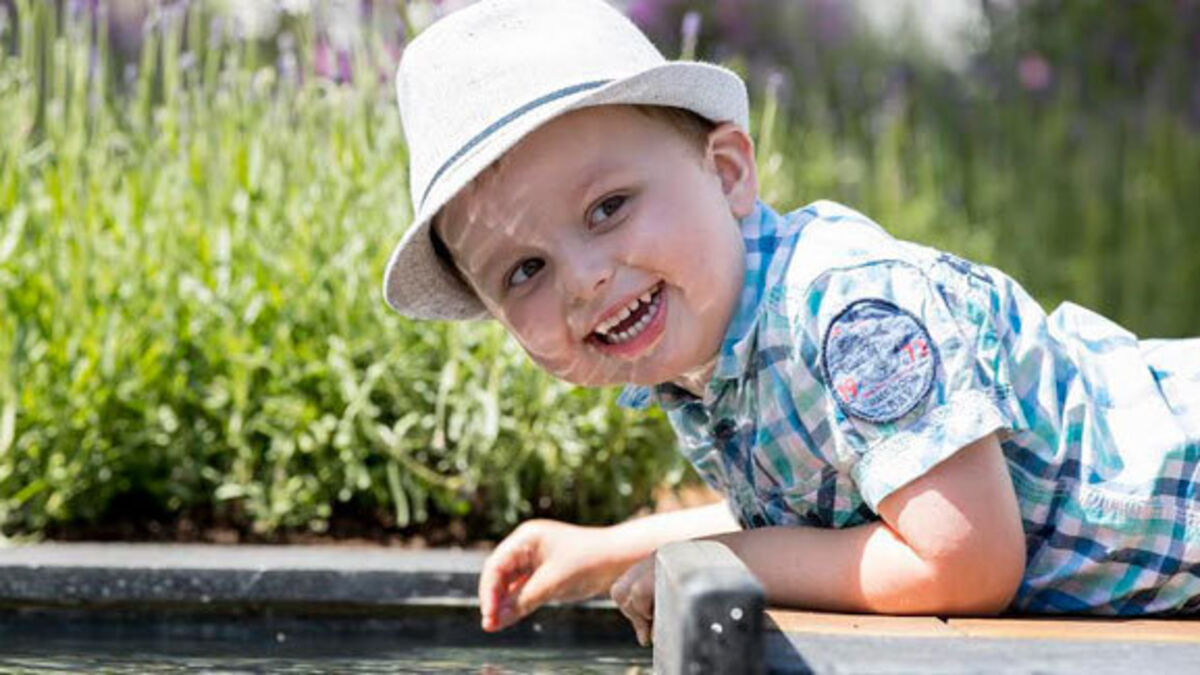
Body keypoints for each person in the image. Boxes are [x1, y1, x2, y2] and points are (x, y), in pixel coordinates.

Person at [381, 0, 1200, 646]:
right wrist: (607, 550)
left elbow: (965, 559)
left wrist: (723, 562)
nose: (584, 277)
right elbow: (835, 508)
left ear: (728, 172)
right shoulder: (716, 353)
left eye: (609, 207)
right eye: (525, 270)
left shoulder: (848, 317)